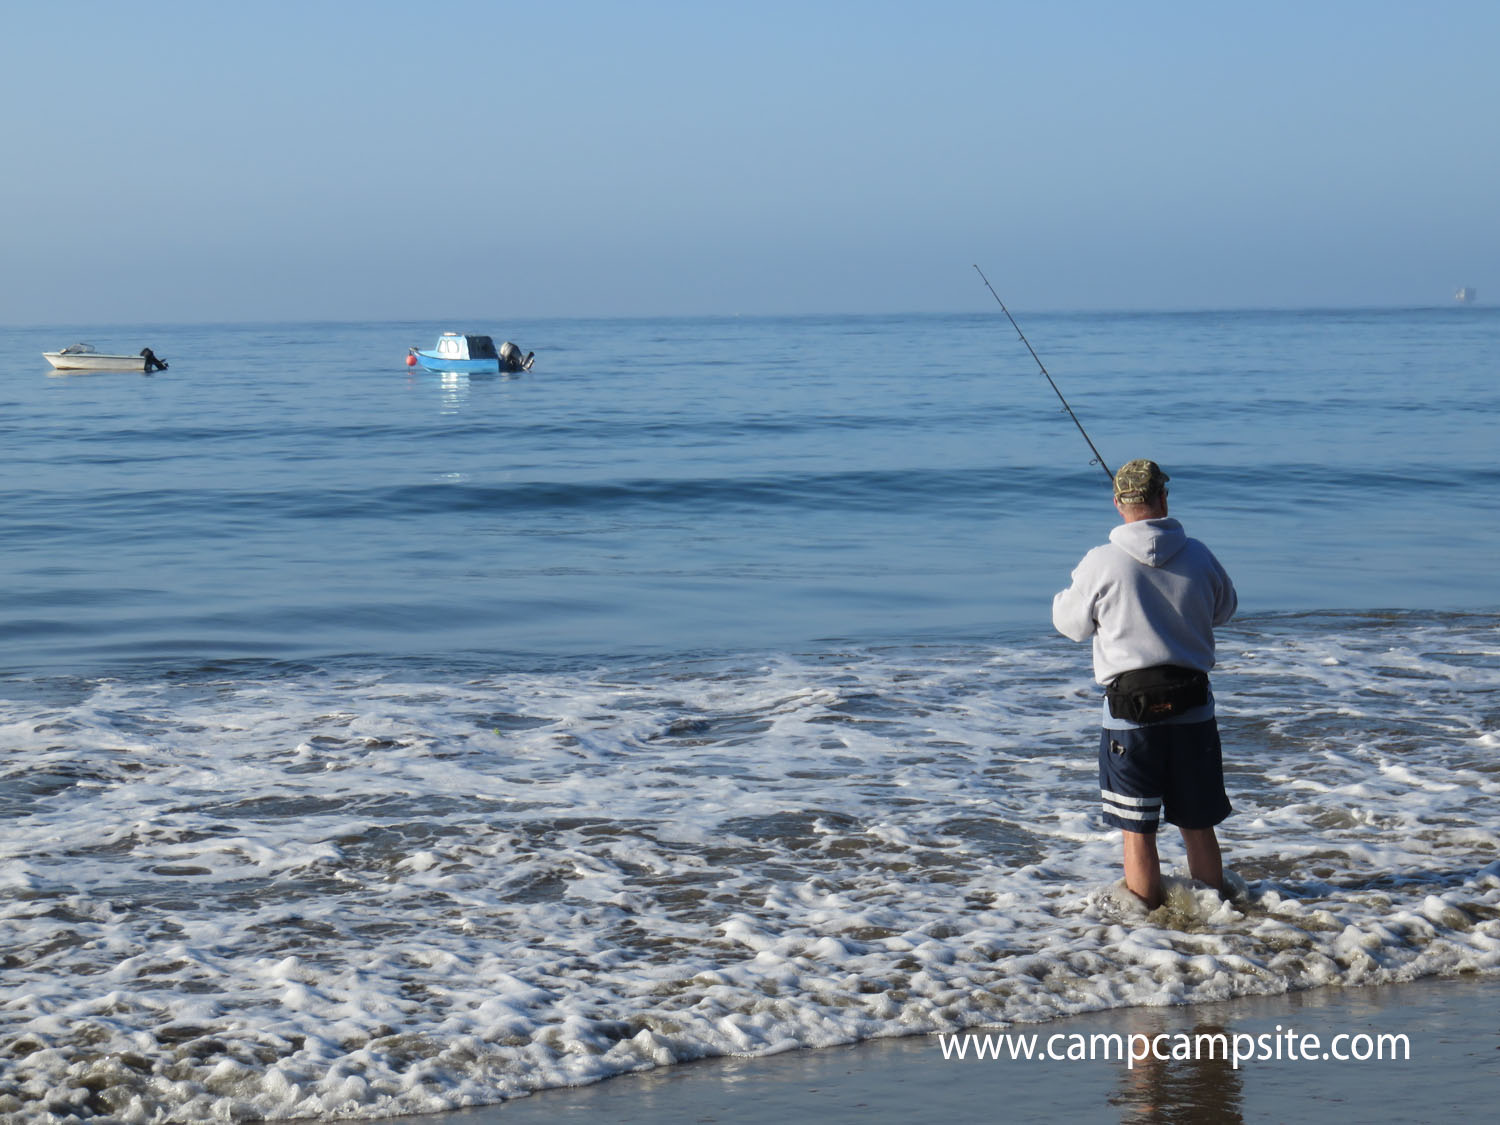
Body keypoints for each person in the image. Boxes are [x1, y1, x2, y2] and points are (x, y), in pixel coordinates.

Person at [1051, 459, 1237, 909]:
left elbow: (1071, 625)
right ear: (1163, 498)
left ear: (1118, 503)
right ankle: (1216, 919)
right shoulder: (1198, 554)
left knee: (1138, 832)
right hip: (1193, 710)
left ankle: (1146, 935)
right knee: (1198, 825)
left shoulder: (1101, 561)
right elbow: (1224, 609)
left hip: (1130, 721)